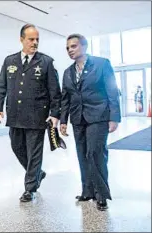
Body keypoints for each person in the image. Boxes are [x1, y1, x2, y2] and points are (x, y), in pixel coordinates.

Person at [0, 24, 62, 202]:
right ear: (21, 39)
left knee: (34, 153)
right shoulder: (9, 61)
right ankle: (37, 172)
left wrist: (55, 114)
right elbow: (1, 86)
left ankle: (29, 188)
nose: (35, 43)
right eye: (31, 39)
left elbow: (55, 91)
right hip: (15, 115)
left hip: (37, 116)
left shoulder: (46, 62)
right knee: (17, 147)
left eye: (37, 39)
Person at [60, 33, 121, 211]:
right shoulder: (68, 72)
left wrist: (114, 116)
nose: (70, 50)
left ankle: (101, 194)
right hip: (78, 118)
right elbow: (66, 98)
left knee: (95, 153)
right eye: (67, 48)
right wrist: (63, 120)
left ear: (84, 47)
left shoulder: (102, 64)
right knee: (82, 154)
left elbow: (112, 90)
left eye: (73, 46)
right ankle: (87, 191)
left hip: (98, 116)